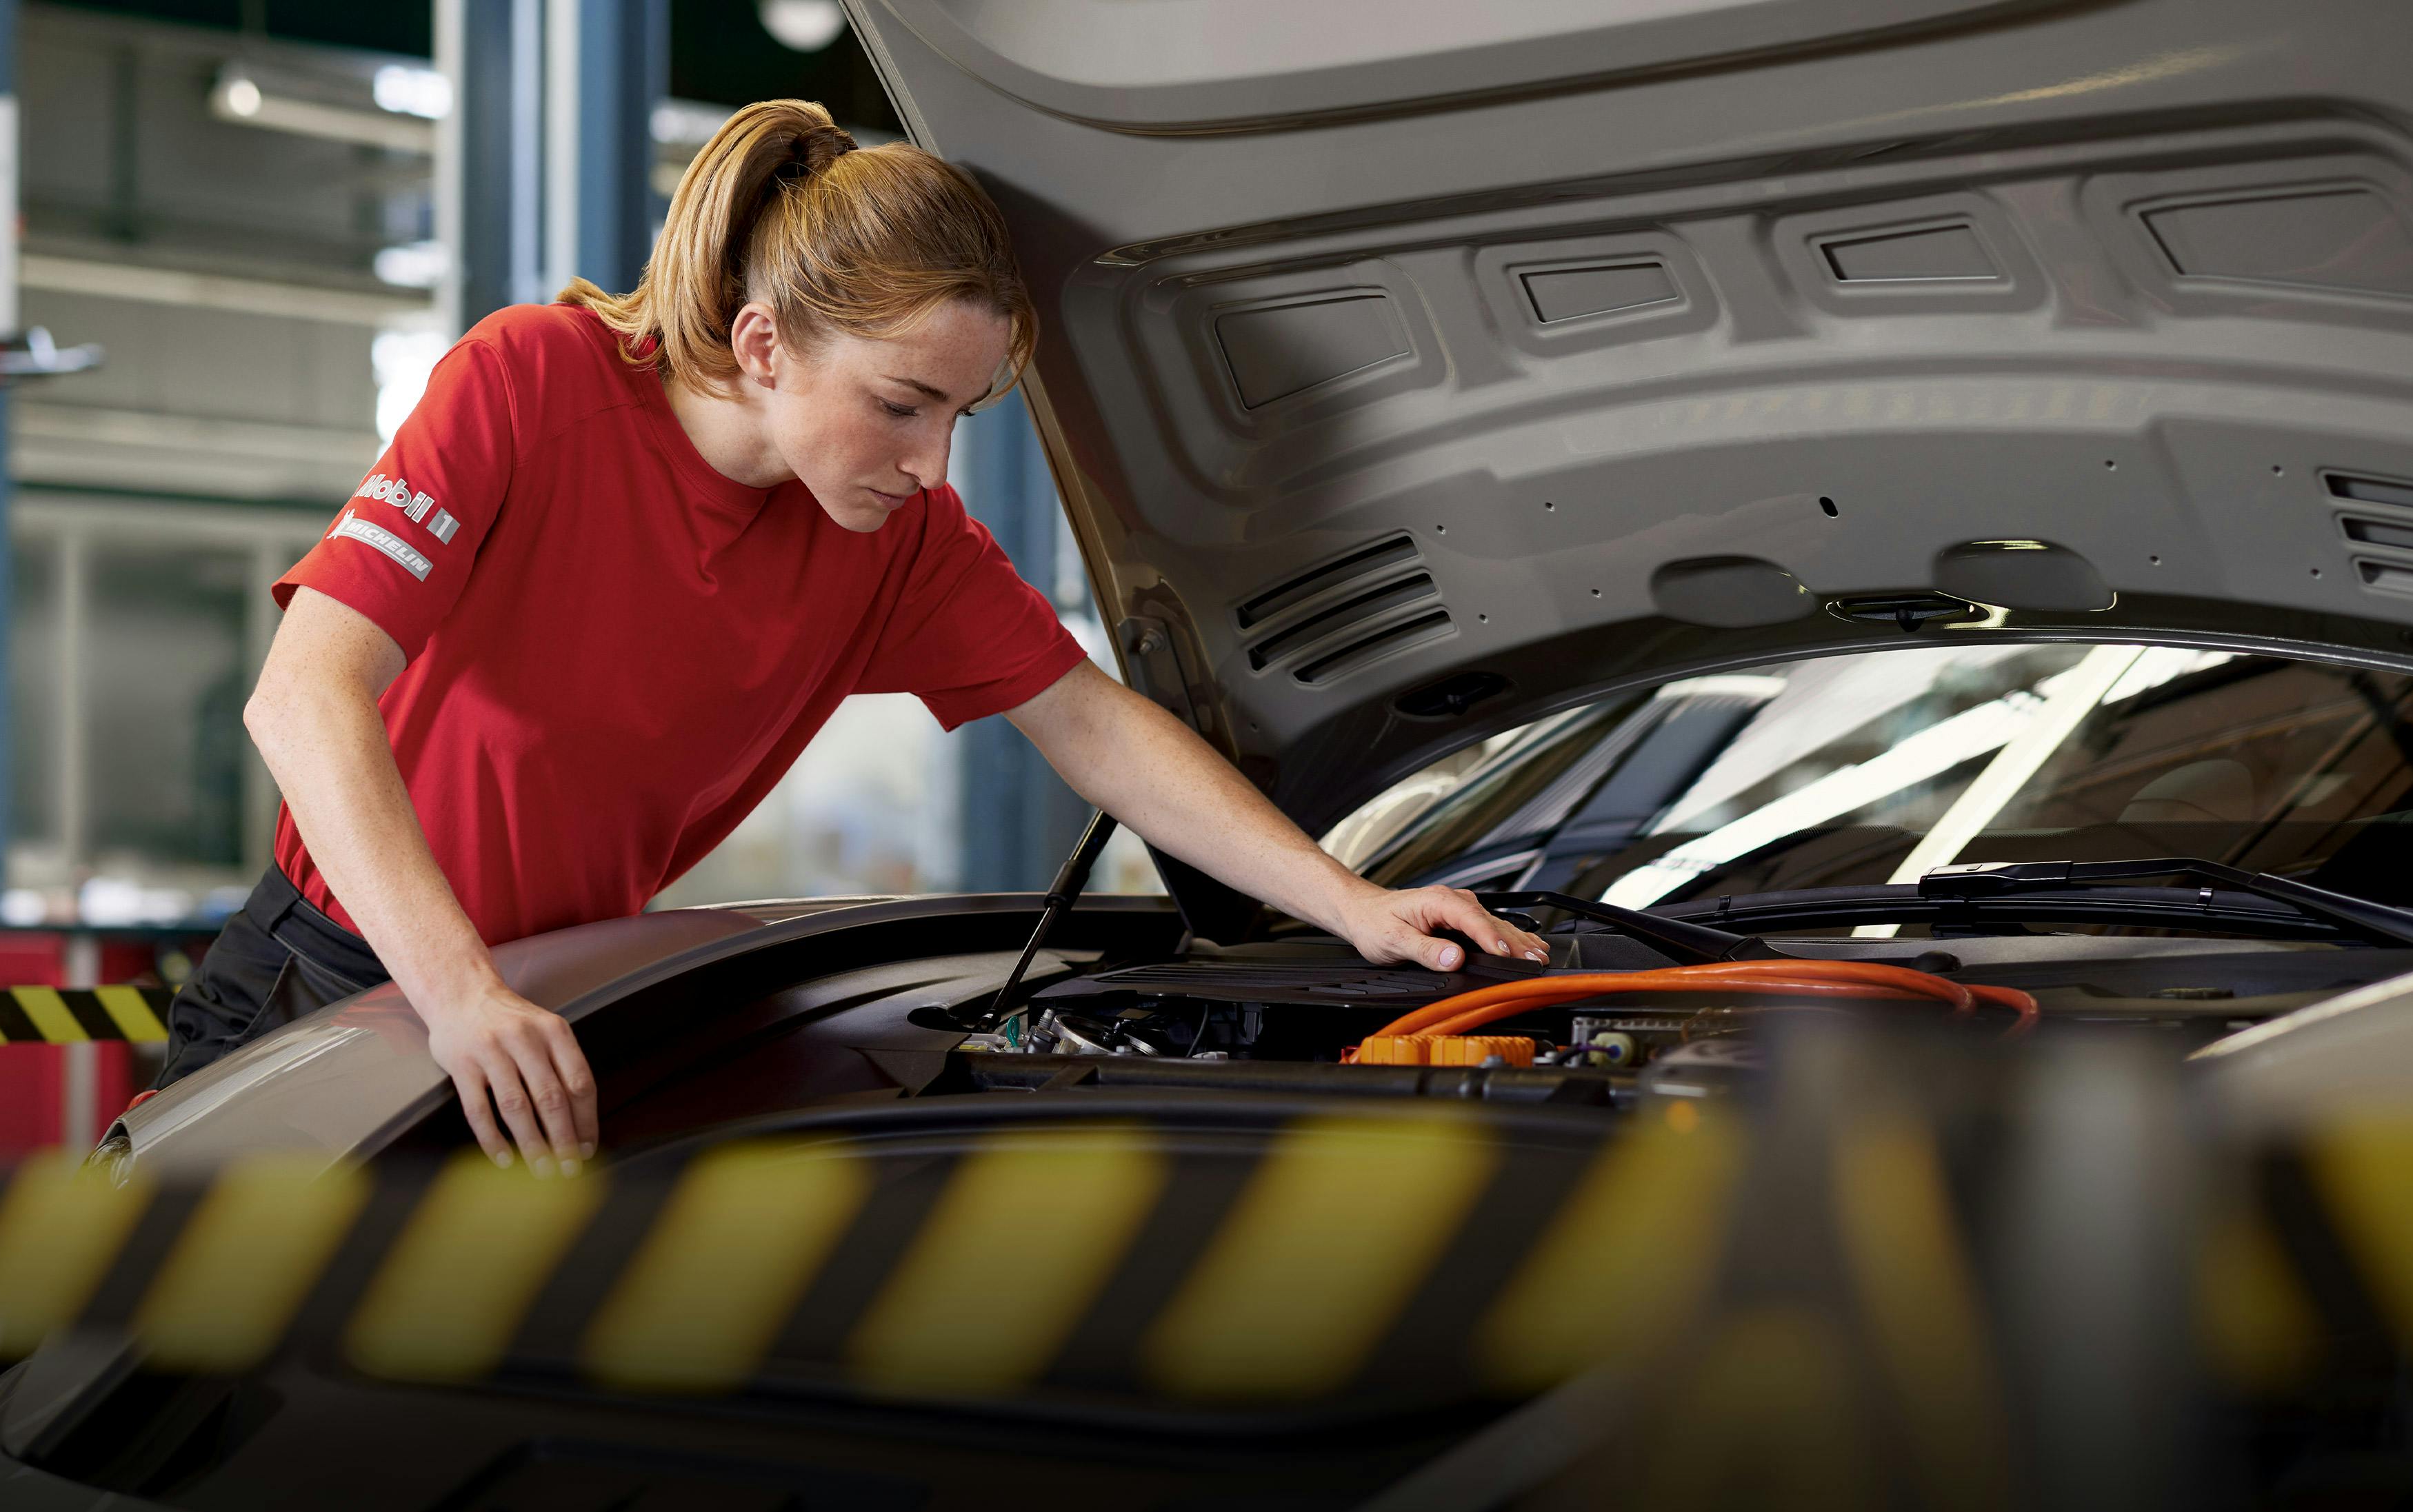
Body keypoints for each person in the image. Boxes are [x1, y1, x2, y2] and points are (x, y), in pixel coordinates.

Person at [159, 99, 1546, 1169]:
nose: (932, 462)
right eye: (900, 403)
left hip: (560, 1005)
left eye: (960, 414)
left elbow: (1097, 726)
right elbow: (304, 696)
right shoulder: (531, 385)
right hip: (332, 984)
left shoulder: (896, 541)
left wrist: (1348, 898)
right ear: (764, 347)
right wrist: (456, 993)